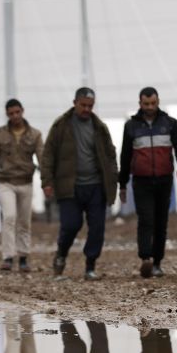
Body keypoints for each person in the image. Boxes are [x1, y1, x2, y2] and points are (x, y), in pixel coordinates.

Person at [41, 88, 119, 280]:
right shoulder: (61, 126)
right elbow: (48, 154)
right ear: (74, 102)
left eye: (90, 106)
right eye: (83, 105)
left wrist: (113, 178)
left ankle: (90, 266)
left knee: (97, 227)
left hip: (96, 186)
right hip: (70, 186)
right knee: (71, 225)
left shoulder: (99, 127)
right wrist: (47, 181)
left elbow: (110, 154)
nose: (86, 109)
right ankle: (61, 255)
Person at [118, 87, 177, 278]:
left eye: (153, 103)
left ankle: (157, 262)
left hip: (164, 180)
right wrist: (122, 184)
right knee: (146, 219)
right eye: (146, 104)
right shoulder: (131, 126)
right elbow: (125, 156)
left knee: (160, 222)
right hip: (141, 181)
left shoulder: (170, 123)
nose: (150, 107)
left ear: (158, 102)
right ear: (140, 104)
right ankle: (145, 258)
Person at [0, 98, 45, 272]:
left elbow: (42, 159)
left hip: (26, 182)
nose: (15, 116)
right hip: (6, 182)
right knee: (9, 217)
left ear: (22, 111)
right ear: (7, 114)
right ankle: (8, 257)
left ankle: (24, 256)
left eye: (17, 112)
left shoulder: (35, 135)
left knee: (24, 221)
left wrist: (47, 181)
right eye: (11, 113)